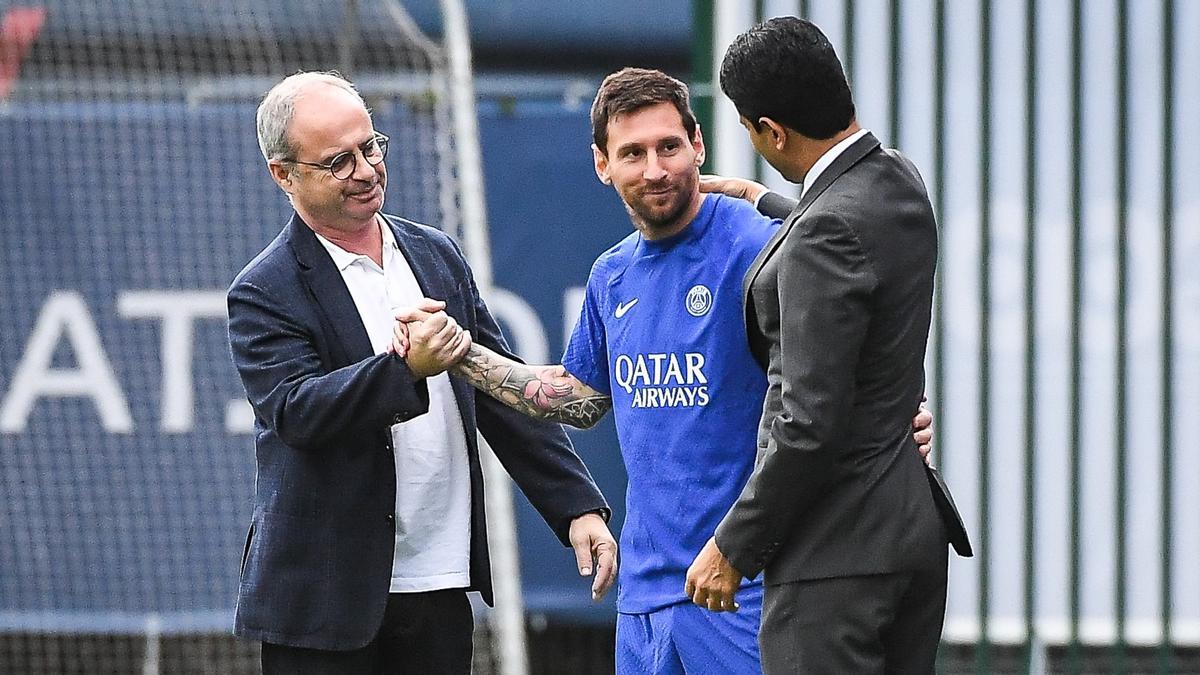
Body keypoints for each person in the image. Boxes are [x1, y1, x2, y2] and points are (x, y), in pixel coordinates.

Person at [394, 67, 937, 674]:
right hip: (646, 598)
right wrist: (460, 354)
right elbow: (576, 399)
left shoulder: (766, 247)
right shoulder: (612, 275)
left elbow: (839, 363)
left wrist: (890, 423)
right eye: (632, 153)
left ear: (698, 145)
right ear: (603, 164)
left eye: (669, 147)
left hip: (743, 585)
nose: (654, 169)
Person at [225, 71, 617, 674]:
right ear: (285, 175)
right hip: (324, 604)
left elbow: (500, 392)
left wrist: (575, 508)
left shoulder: (434, 253)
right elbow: (299, 413)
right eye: (338, 161)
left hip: (438, 583)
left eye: (371, 146)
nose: (365, 169)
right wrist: (405, 369)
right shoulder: (263, 290)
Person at [683, 17, 972, 674]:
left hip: (834, 557)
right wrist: (769, 202)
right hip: (909, 539)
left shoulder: (824, 235)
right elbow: (845, 232)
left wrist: (733, 546)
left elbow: (809, 423)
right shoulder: (899, 180)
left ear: (772, 132)